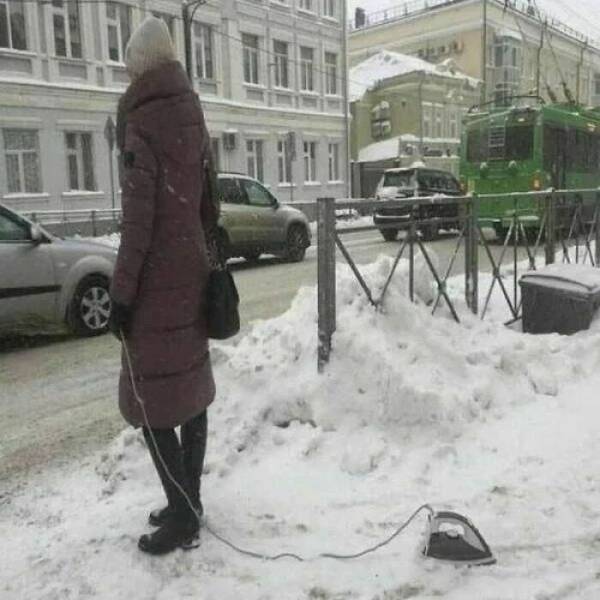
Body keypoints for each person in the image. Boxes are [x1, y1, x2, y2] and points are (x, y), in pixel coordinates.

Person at [108, 16, 221, 555]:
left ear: (139, 67)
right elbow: (209, 206)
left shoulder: (141, 123)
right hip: (191, 273)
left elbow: (137, 224)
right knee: (192, 391)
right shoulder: (193, 114)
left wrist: (122, 294)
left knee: (153, 403)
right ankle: (190, 498)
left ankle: (181, 515)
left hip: (154, 286)